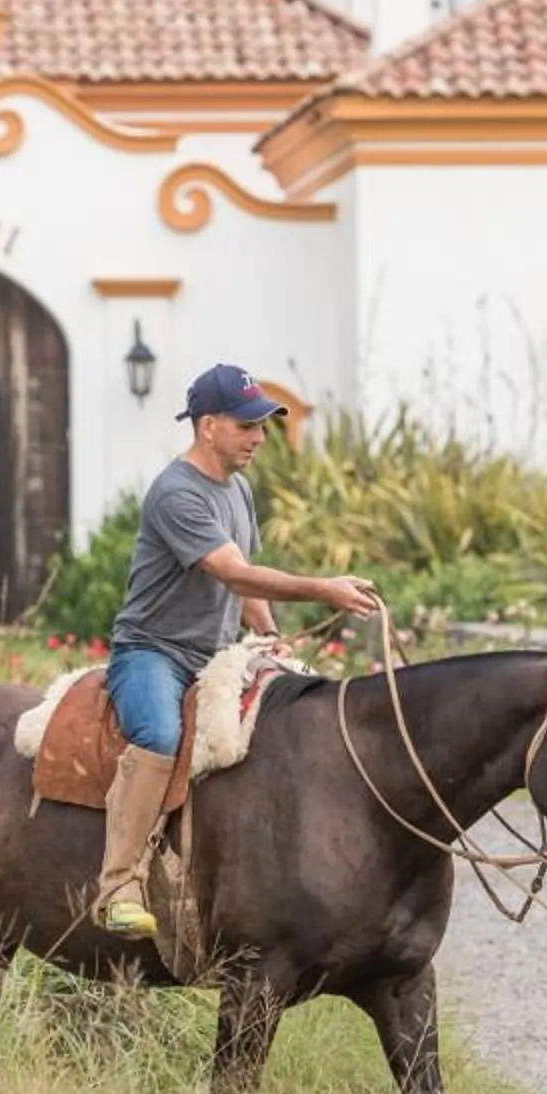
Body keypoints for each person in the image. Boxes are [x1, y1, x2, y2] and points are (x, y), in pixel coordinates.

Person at [95, 365, 383, 942]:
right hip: (153, 653)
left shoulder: (238, 489)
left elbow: (243, 582)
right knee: (158, 734)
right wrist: (323, 589)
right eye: (247, 425)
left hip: (214, 654)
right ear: (208, 426)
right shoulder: (176, 492)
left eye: (264, 426)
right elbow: (232, 571)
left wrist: (270, 639)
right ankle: (118, 887)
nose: (260, 437)